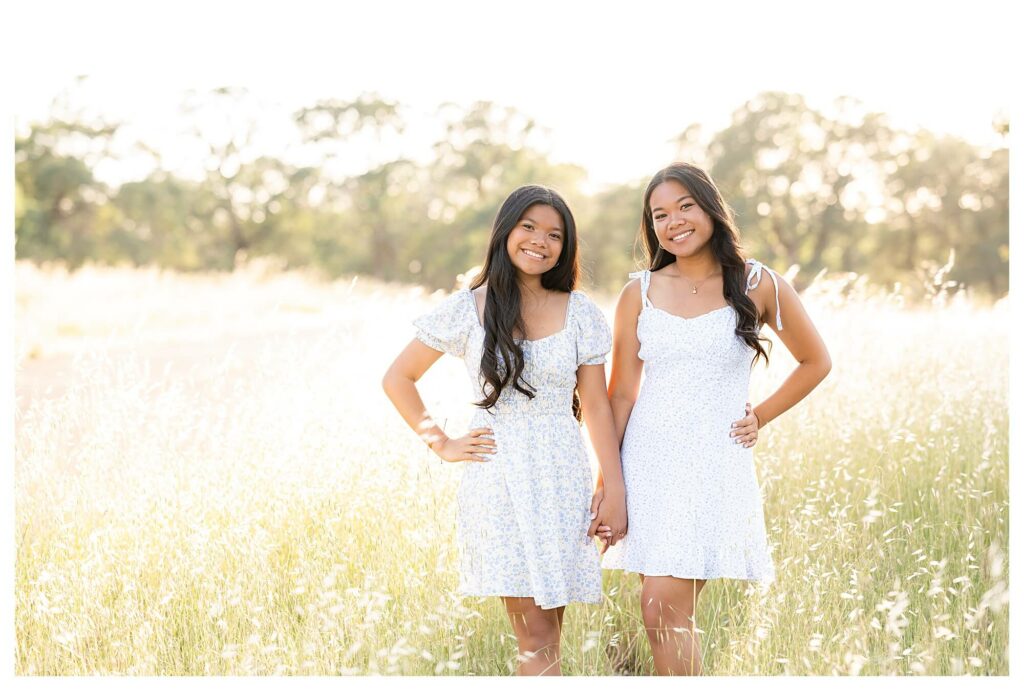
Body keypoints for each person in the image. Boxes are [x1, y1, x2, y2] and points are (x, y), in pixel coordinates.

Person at [596, 163, 832, 675]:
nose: (673, 221)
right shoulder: (638, 292)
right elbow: (620, 395)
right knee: (661, 612)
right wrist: (608, 482)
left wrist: (760, 417)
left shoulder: (759, 282)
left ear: (709, 208)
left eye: (684, 206)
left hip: (712, 466)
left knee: (662, 609)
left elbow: (817, 362)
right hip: (647, 463)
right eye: (659, 214)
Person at [381, 185, 626, 676]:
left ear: (566, 246)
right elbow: (397, 378)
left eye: (555, 234)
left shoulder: (581, 314)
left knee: (549, 635)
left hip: (562, 477)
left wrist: (614, 487)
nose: (541, 241)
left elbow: (597, 407)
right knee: (536, 637)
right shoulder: (468, 308)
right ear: (506, 231)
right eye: (529, 227)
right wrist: (442, 442)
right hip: (500, 481)